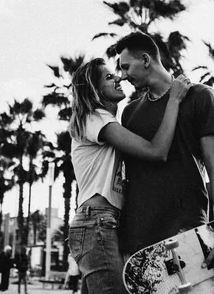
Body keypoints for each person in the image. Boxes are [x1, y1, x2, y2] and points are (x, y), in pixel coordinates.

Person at [115, 32, 214, 277]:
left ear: (146, 60)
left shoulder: (201, 96)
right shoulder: (129, 113)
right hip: (140, 245)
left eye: (126, 67)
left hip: (188, 236)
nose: (123, 76)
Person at [68, 57, 192, 293]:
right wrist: (174, 100)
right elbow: (156, 151)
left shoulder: (106, 120)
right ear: (94, 90)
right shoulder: (94, 117)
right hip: (97, 223)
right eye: (108, 77)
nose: (117, 77)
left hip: (101, 223)